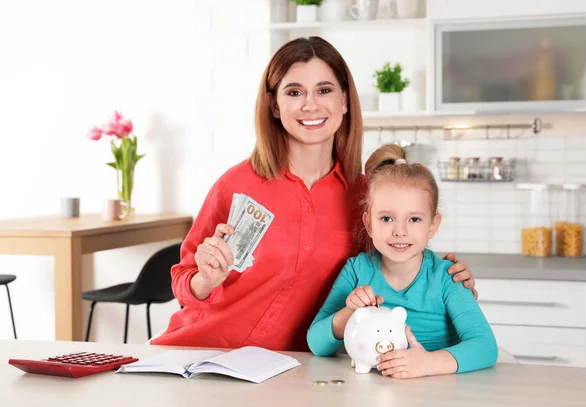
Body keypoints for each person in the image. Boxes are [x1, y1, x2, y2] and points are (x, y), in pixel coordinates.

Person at [151, 36, 476, 351]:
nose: (310, 104)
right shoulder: (236, 184)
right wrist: (205, 279)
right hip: (202, 354)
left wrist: (447, 281)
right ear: (274, 105)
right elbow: (184, 282)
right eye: (294, 92)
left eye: (324, 90)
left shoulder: (368, 197)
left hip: (299, 368)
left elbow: (397, 274)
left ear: (344, 100)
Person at [306, 144, 498, 377]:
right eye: (386, 218)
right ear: (368, 223)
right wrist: (350, 312)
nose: (400, 231)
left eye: (414, 219)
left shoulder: (447, 277)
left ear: (433, 225)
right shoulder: (356, 271)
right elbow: (316, 343)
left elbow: (485, 347)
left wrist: (427, 363)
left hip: (438, 390)